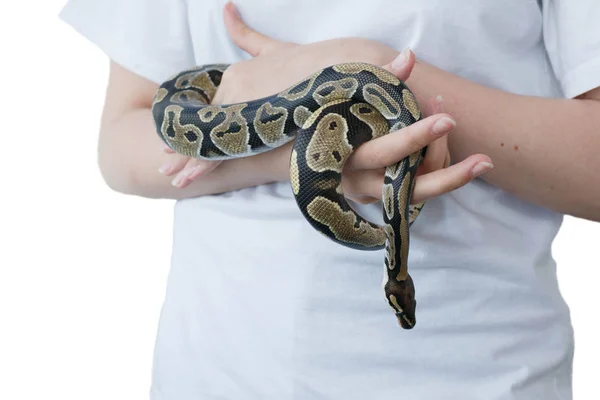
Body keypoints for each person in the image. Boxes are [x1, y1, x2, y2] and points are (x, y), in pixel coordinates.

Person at [59, 0, 600, 398]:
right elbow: (121, 143)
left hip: (471, 371)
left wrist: (355, 62)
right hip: (215, 370)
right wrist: (315, 149)